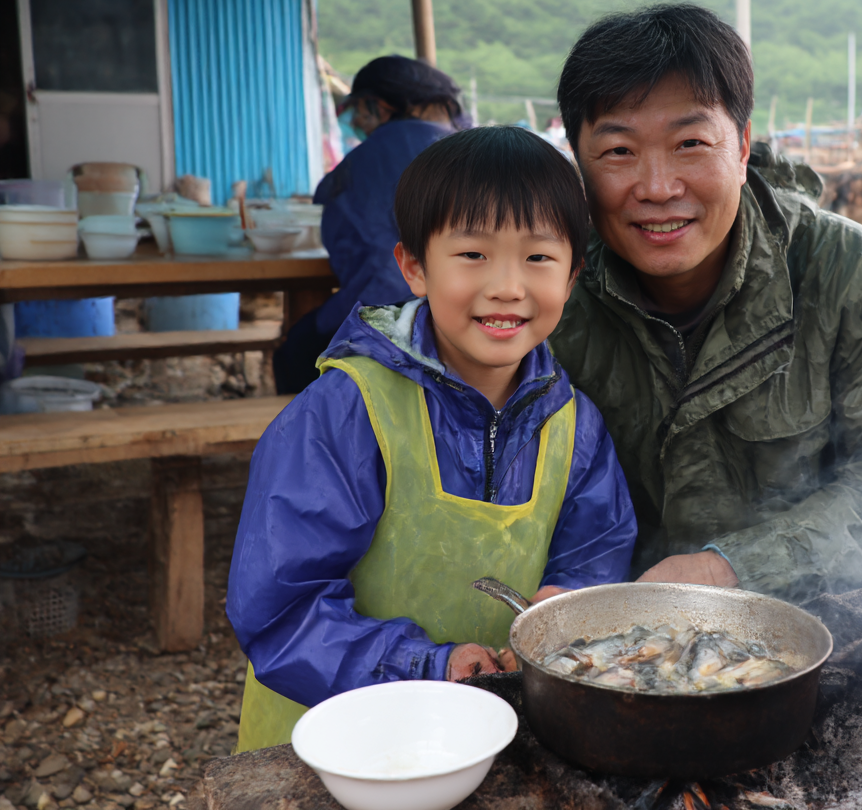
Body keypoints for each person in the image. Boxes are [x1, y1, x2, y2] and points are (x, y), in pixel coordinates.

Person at [548, 4, 862, 603]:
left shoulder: (849, 271)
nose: (657, 187)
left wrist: (732, 568)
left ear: (744, 146)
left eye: (690, 143)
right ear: (578, 161)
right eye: (619, 152)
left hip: (806, 588)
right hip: (616, 595)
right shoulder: (546, 286)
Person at [229, 126, 638, 752]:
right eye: (473, 255)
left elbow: (596, 552)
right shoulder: (347, 413)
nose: (507, 285)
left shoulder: (574, 426)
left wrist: (564, 606)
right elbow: (282, 610)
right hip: (328, 744)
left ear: (573, 275)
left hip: (480, 736)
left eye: (538, 257)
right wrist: (427, 666)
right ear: (414, 266)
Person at [273, 55, 472, 394]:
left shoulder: (363, 164)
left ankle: (306, 442)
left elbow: (367, 268)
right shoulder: (481, 152)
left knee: (296, 349)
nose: (358, 122)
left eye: (358, 110)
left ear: (378, 106)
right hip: (477, 314)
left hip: (395, 315)